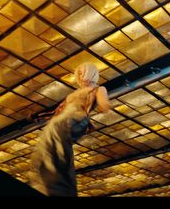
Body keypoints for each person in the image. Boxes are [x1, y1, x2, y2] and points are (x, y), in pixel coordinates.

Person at [28, 62, 111, 197]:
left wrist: (105, 105)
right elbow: (58, 111)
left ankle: (58, 185)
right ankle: (48, 182)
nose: (80, 76)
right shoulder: (75, 93)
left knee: (55, 138)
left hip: (76, 119)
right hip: (62, 120)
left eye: (82, 72)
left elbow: (103, 103)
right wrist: (39, 116)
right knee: (46, 146)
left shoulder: (98, 89)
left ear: (91, 72)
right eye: (78, 73)